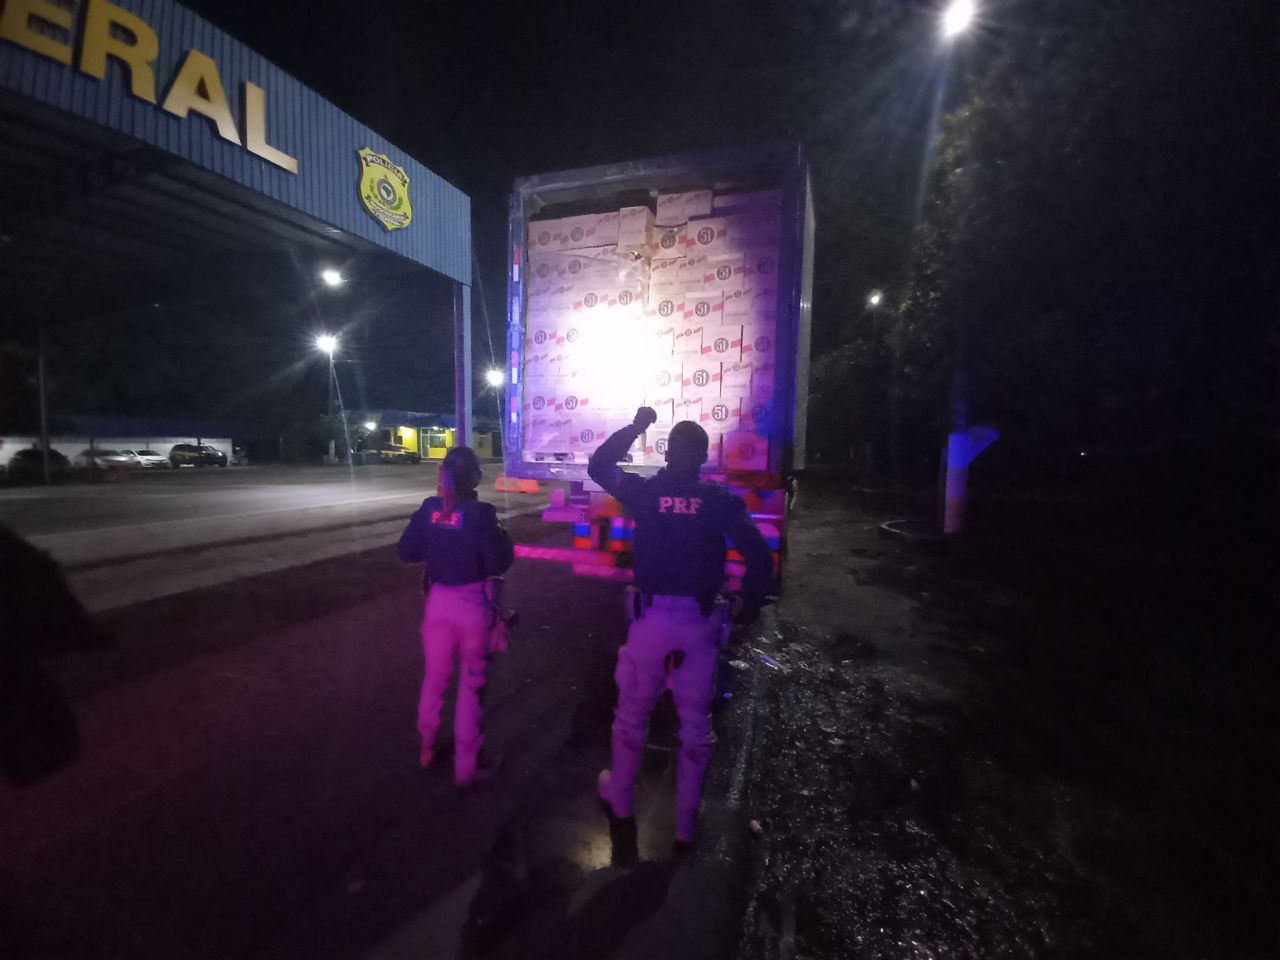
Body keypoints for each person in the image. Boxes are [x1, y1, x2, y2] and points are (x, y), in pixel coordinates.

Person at [589, 407, 774, 847]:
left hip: (650, 621)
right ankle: (686, 825)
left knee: (631, 718)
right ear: (704, 458)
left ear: (668, 453)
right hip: (700, 625)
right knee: (695, 727)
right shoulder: (719, 502)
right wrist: (747, 607)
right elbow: (759, 558)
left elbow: (599, 466)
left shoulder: (645, 492)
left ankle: (620, 803)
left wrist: (636, 426)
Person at [397, 446, 514, 786]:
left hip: (438, 603)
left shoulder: (429, 508)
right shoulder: (482, 514)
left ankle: (427, 748)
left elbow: (407, 552)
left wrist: (437, 547)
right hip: (473, 604)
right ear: (474, 476)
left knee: (434, 679)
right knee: (472, 685)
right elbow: (499, 561)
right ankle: (466, 766)